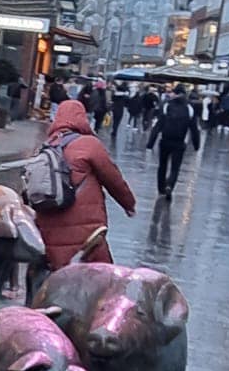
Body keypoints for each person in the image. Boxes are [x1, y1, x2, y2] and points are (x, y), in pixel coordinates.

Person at [36, 98, 136, 273]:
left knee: (58, 274)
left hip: (48, 226)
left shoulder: (46, 146)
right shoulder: (88, 144)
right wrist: (129, 204)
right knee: (101, 277)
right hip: (86, 229)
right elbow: (113, 178)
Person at [148, 86, 201, 198]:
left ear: (175, 93)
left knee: (162, 165)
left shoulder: (167, 105)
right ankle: (170, 185)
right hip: (179, 142)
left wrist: (150, 143)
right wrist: (196, 145)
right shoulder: (189, 108)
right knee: (175, 167)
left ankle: (161, 189)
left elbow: (159, 124)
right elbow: (194, 129)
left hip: (165, 141)